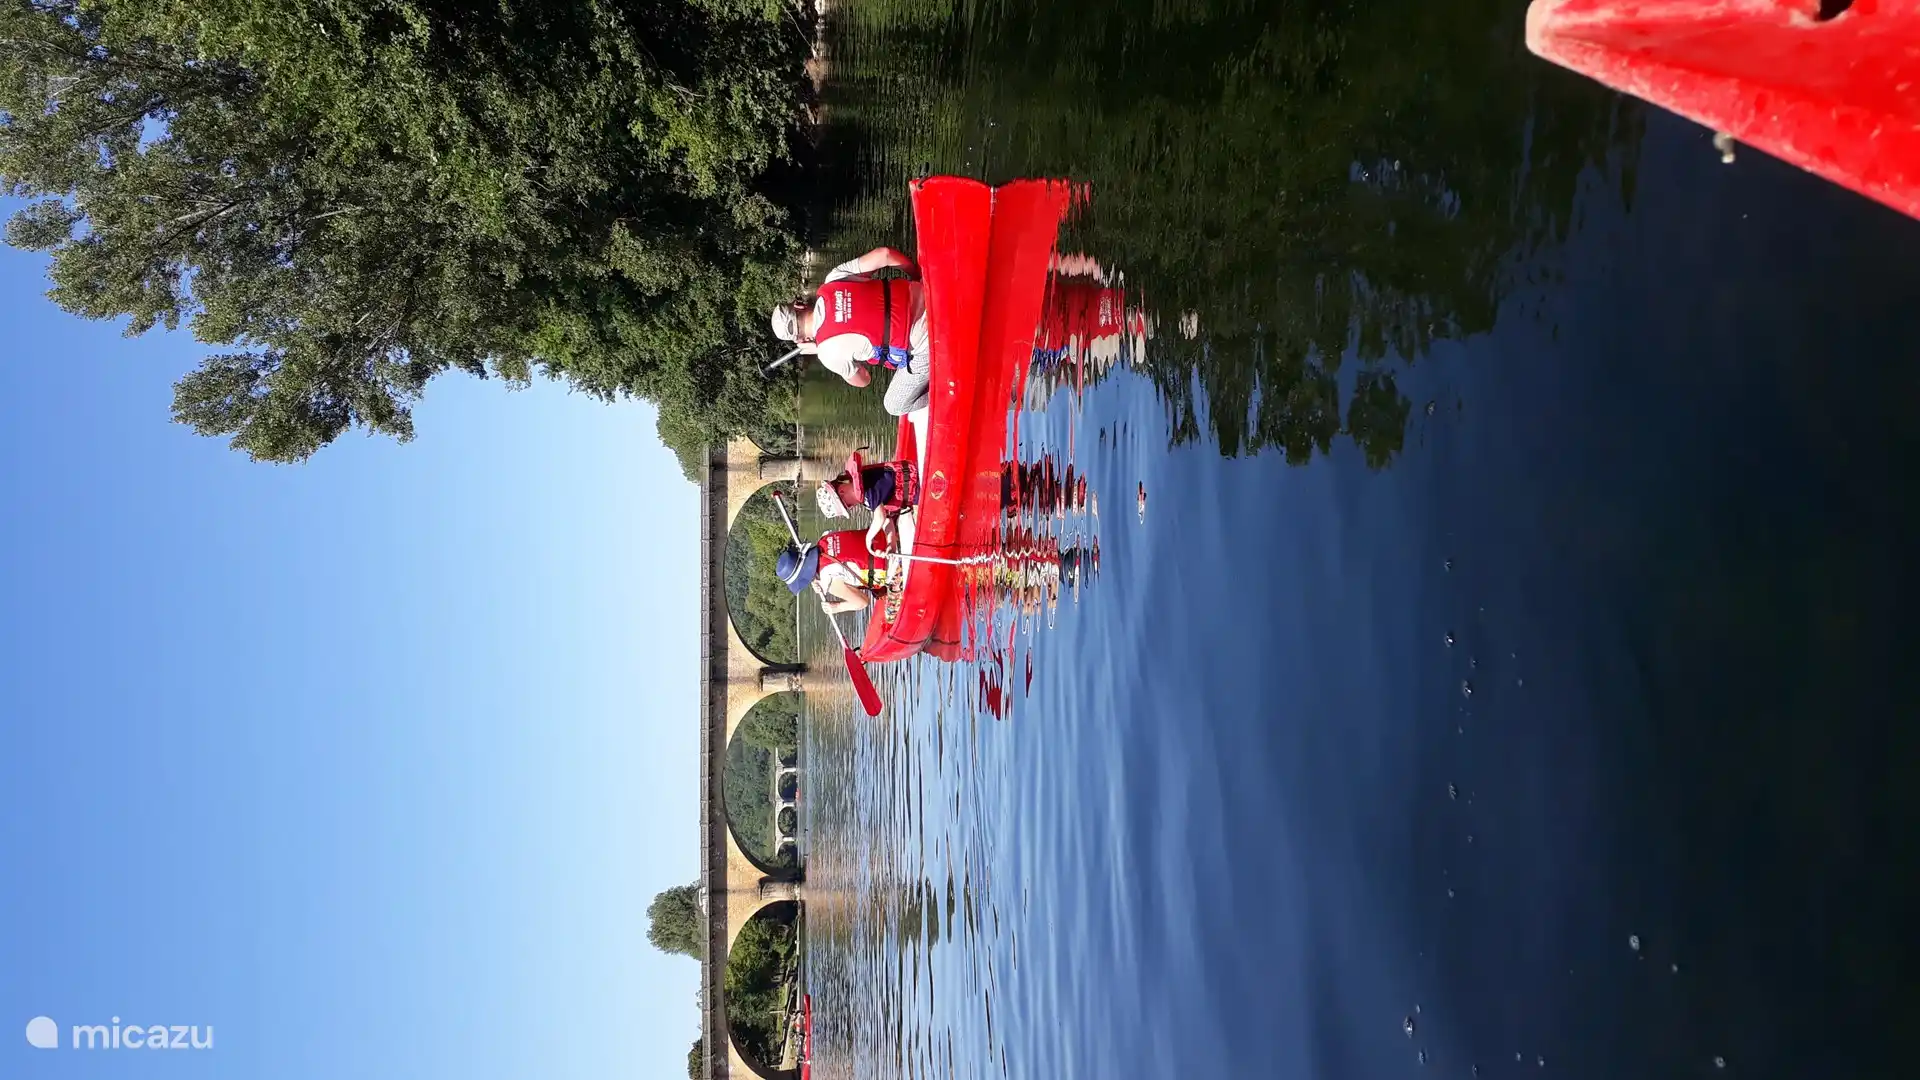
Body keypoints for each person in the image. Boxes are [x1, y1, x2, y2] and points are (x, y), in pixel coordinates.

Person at [769, 247, 931, 415]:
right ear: (799, 305)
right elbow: (885, 254)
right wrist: (916, 275)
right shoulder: (834, 278)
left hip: (925, 342)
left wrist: (819, 349)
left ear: (800, 340)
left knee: (894, 406)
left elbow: (864, 380)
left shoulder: (828, 354)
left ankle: (941, 386)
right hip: (925, 293)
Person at [776, 527, 895, 613]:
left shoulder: (829, 581)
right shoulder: (825, 538)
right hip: (889, 536)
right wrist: (817, 580)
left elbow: (862, 602)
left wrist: (837, 607)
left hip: (891, 565)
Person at [817, 450, 918, 551]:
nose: (851, 507)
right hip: (915, 495)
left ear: (842, 491)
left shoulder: (868, 486)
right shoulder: (867, 499)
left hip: (919, 484)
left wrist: (868, 538)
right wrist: (891, 542)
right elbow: (887, 518)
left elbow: (880, 517)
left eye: (846, 505)